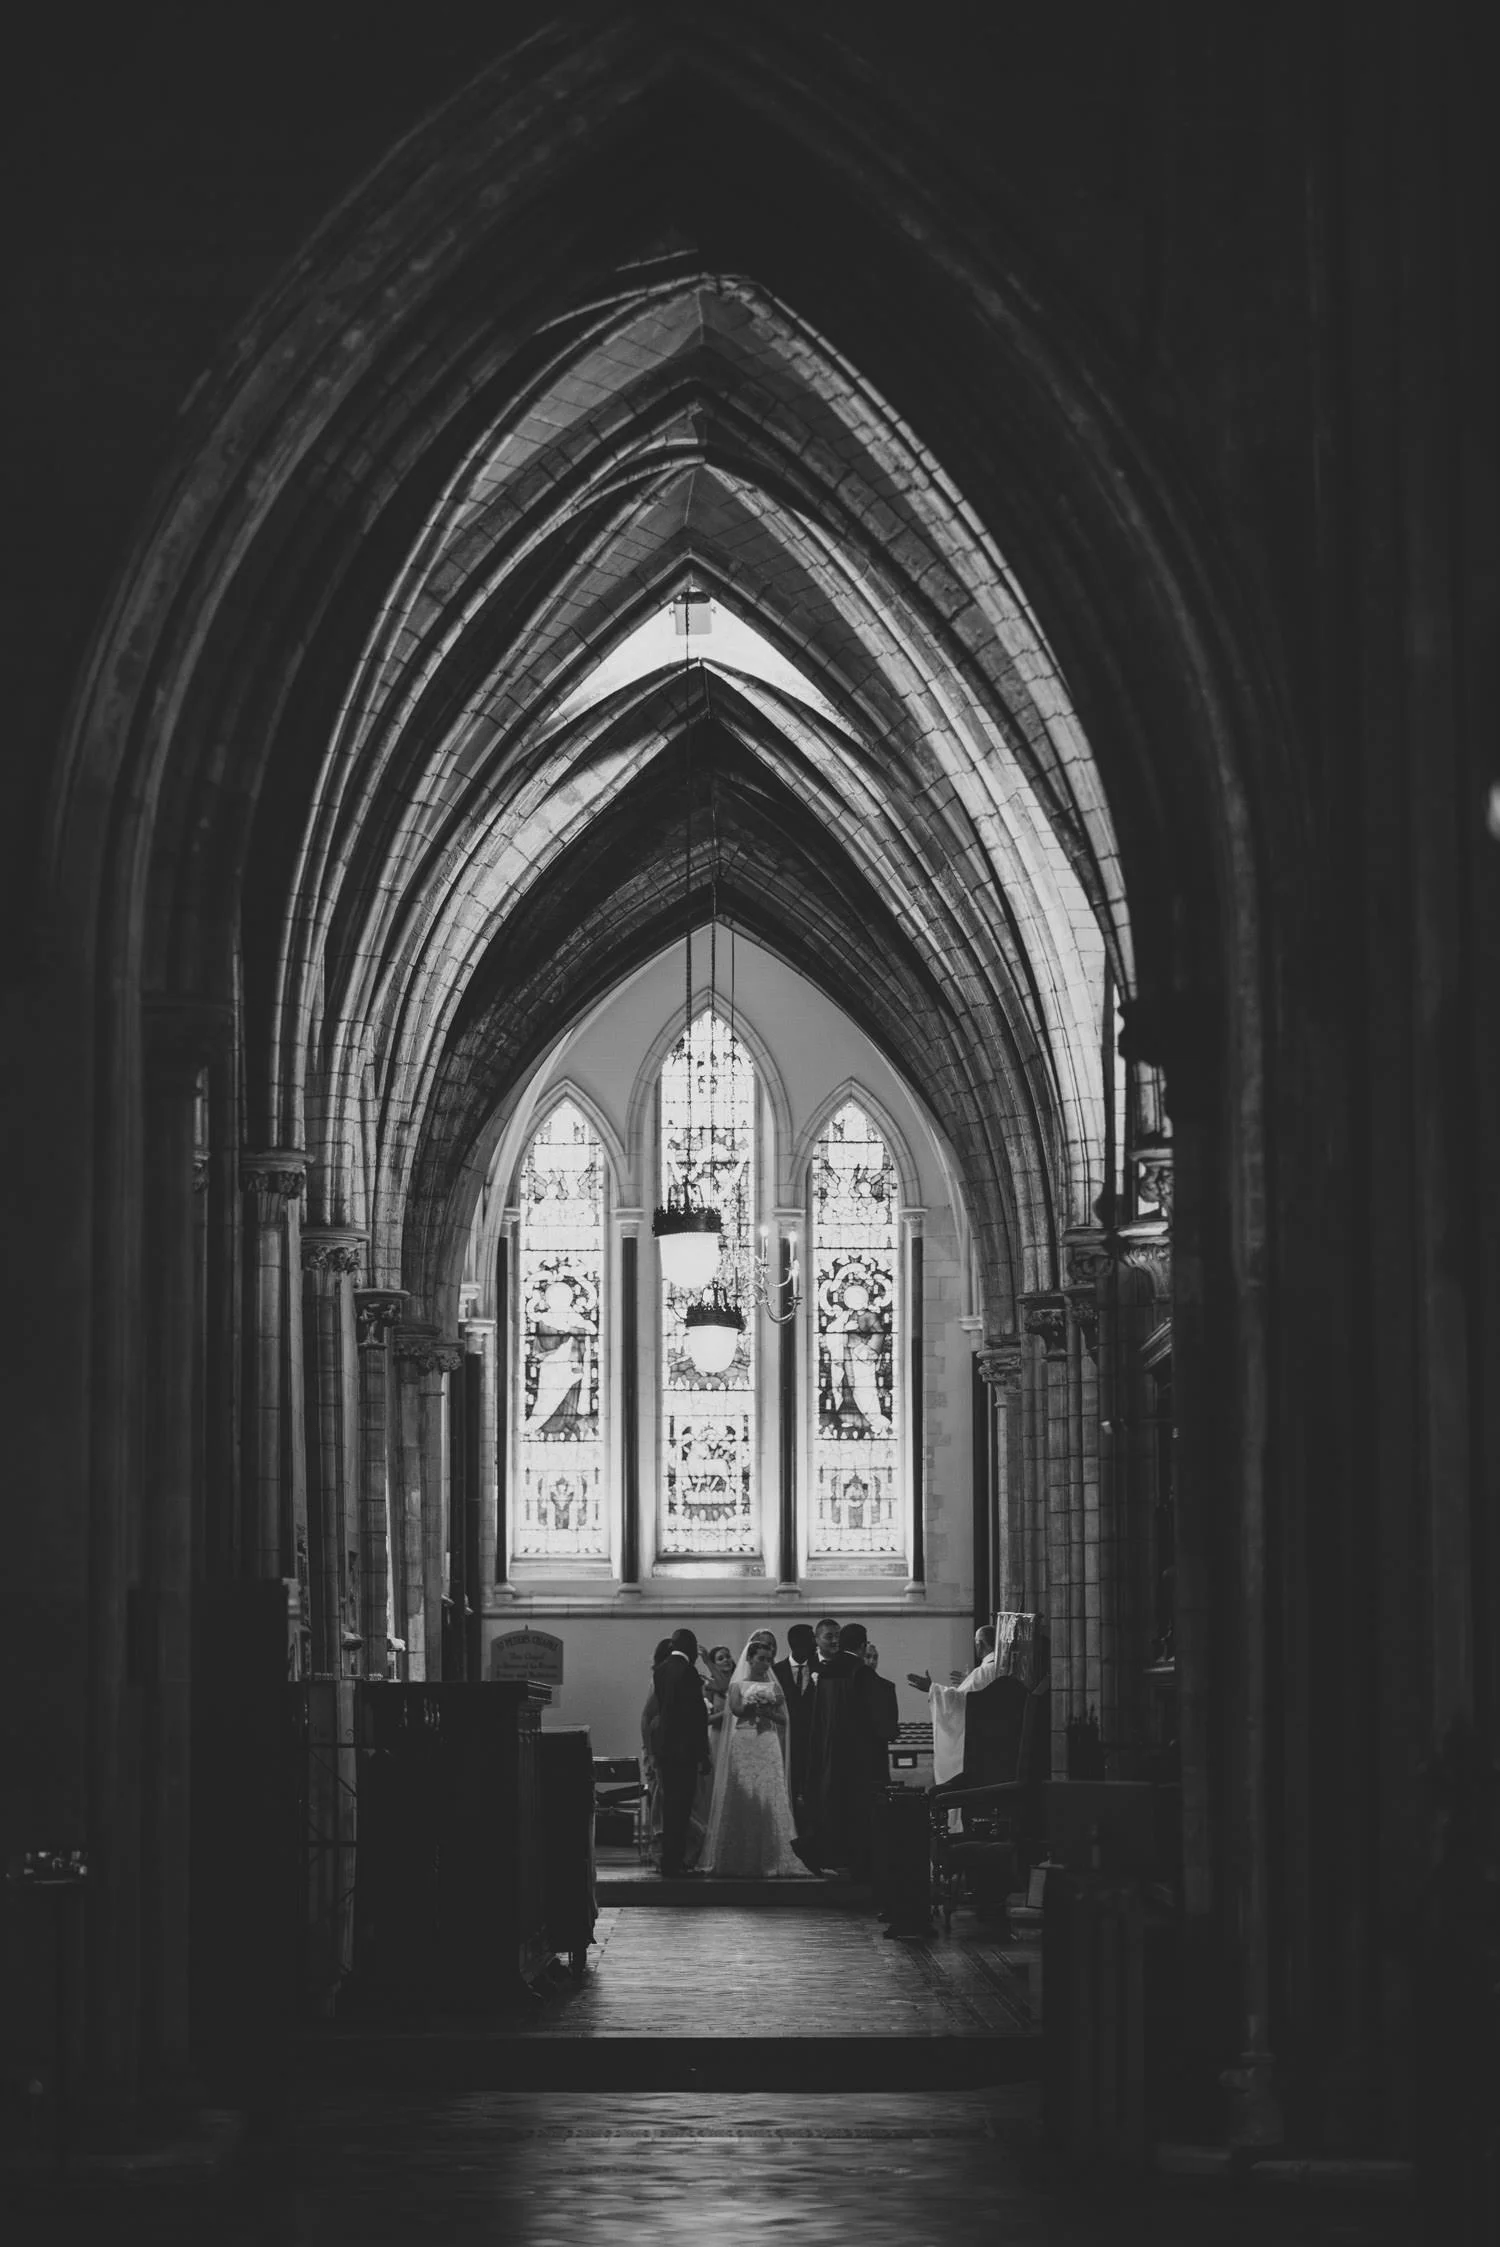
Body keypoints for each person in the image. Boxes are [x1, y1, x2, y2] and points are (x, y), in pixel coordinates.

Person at [699, 1637, 813, 1879]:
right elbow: (736, 1711)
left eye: (768, 1659)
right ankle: (738, 1855)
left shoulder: (775, 1686)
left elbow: (784, 1719)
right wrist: (752, 1706)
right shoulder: (737, 1684)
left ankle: (772, 1853)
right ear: (749, 1659)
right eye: (760, 1658)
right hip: (744, 1740)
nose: (765, 1663)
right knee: (743, 1793)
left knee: (769, 1795)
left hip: (767, 1742)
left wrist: (768, 1710)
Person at [803, 1620, 888, 1880]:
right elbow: (878, 1721)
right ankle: (858, 1861)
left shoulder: (825, 1671)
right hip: (859, 1756)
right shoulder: (861, 1673)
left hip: (828, 1751)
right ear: (862, 1646)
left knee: (831, 1804)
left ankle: (833, 1857)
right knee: (859, 1810)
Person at [906, 1623, 999, 1785]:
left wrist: (932, 1688)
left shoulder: (983, 1672)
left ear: (980, 1644)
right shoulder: (999, 1668)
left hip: (977, 1745)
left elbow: (959, 1701)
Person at [653, 1627, 711, 1878]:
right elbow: (695, 1716)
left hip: (666, 1748)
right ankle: (674, 1862)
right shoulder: (688, 1672)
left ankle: (669, 1859)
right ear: (691, 1646)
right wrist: (702, 1753)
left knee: (670, 1807)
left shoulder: (661, 1670)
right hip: (685, 1749)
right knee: (682, 1806)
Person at [772, 1622, 819, 1839]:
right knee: (787, 1791)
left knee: (814, 1793)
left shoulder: (822, 1669)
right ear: (797, 1643)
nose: (815, 1644)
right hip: (786, 1741)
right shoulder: (776, 1671)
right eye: (812, 1639)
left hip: (815, 1742)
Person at [639, 1635, 673, 1858]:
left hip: (670, 1744)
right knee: (659, 1794)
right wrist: (649, 1752)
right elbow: (646, 1717)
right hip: (657, 1746)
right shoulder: (659, 1680)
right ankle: (658, 1842)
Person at [862, 1638, 901, 1754]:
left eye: (875, 1657)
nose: (872, 1661)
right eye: (868, 1657)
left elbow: (892, 1724)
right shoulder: (846, 1684)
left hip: (877, 1749)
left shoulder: (887, 1687)